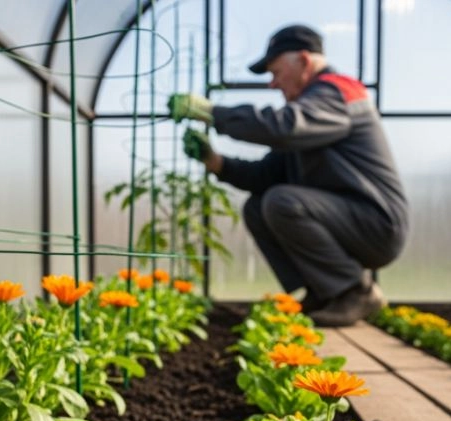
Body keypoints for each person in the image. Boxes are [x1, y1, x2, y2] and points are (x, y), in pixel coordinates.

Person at [168, 24, 409, 327]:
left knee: (282, 202)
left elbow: (285, 127)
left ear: (304, 62)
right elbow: (267, 175)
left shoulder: (339, 92)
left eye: (276, 72)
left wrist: (212, 113)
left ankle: (355, 291)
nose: (272, 84)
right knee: (259, 206)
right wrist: (215, 161)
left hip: (377, 224)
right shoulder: (310, 114)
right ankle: (324, 292)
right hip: (347, 220)